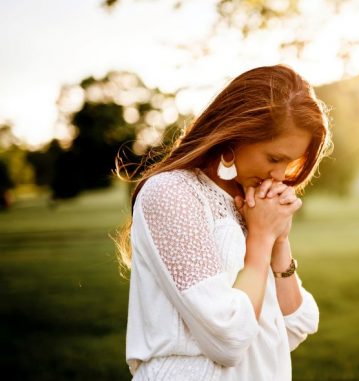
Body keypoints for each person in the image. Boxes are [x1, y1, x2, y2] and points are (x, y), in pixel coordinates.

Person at [113, 64, 333, 380]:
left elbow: (293, 327)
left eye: (289, 162)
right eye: (274, 158)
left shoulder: (251, 202)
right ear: (236, 135)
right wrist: (259, 241)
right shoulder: (173, 193)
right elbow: (228, 337)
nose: (280, 176)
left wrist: (278, 240)